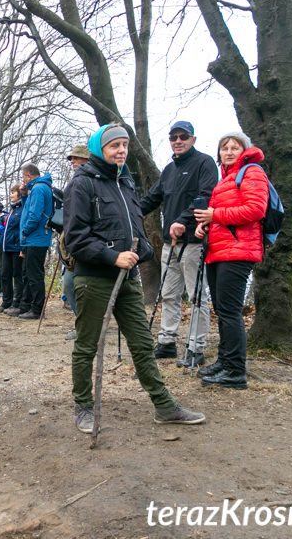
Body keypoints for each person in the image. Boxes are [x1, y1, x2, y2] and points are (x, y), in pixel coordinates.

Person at [63, 123, 205, 434]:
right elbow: (75, 238)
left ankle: (164, 406)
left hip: (127, 279)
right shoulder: (82, 184)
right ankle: (83, 406)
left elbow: (136, 230)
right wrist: (111, 255)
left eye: (125, 145)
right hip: (94, 279)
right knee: (87, 346)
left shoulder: (126, 183)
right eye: (115, 146)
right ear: (100, 149)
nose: (122, 151)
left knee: (142, 344)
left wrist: (142, 251)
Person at [193, 132, 269, 390]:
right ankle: (225, 362)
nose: (228, 152)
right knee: (223, 311)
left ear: (243, 150)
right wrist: (204, 227)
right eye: (224, 148)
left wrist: (215, 215)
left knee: (230, 312)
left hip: (238, 252)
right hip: (219, 251)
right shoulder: (225, 179)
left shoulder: (251, 172)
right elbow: (217, 218)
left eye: (234, 147)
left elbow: (255, 210)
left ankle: (235, 371)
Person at [141, 121, 218, 367]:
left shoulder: (205, 163)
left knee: (196, 295)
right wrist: (126, 212)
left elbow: (206, 197)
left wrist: (183, 221)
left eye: (183, 136)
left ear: (193, 139)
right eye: (173, 137)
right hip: (169, 243)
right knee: (169, 294)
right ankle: (166, 342)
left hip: (194, 242)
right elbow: (152, 199)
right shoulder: (169, 170)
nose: (178, 141)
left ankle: (196, 348)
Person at [61, 146, 90, 338]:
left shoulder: (89, 181)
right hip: (72, 246)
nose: (72, 161)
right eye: (71, 158)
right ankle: (84, 325)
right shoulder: (75, 181)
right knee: (68, 285)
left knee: (74, 286)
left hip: (85, 245)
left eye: (76, 158)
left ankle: (86, 328)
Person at [19, 163, 54, 319]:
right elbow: (28, 209)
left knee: (35, 276)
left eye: (23, 177)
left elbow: (34, 215)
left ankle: (37, 310)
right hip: (33, 239)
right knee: (28, 274)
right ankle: (26, 306)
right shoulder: (36, 189)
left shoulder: (39, 188)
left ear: (28, 176)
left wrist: (25, 231)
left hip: (36, 238)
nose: (23, 180)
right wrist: (25, 195)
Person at [0, 185, 25, 315]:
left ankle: (16, 302)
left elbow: (22, 229)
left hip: (16, 248)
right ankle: (6, 301)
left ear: (19, 194)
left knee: (17, 276)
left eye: (13, 193)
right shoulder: (11, 210)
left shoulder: (22, 209)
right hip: (6, 248)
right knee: (5, 275)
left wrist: (21, 247)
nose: (10, 195)